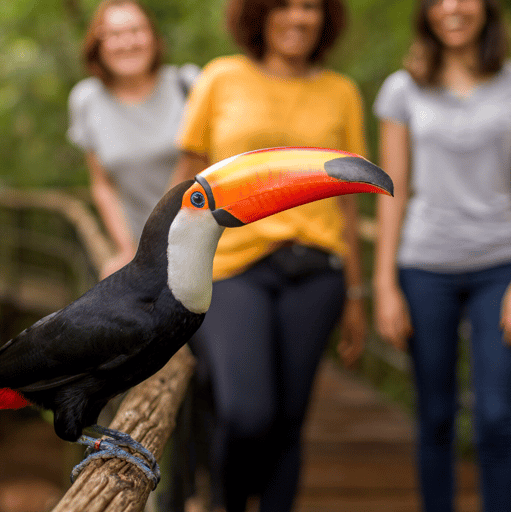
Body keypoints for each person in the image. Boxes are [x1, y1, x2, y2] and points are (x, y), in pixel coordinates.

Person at [171, 0, 367, 510]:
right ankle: (226, 502)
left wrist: (356, 295)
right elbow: (186, 182)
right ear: (259, 14)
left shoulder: (341, 91)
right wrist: (160, 276)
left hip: (317, 272)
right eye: (284, 5)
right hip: (233, 268)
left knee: (288, 422)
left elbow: (348, 203)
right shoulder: (221, 77)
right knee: (246, 411)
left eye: (310, 7)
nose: (297, 17)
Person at [372, 0, 511, 510]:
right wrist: (385, 285)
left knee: (497, 418)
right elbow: (394, 190)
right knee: (434, 416)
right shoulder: (403, 88)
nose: (451, 9)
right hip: (423, 268)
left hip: (500, 267)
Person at [67, 0, 198, 277]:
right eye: (114, 34)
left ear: (153, 36)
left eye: (136, 30)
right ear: (98, 44)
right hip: (144, 256)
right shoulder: (85, 99)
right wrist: (127, 249)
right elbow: (102, 184)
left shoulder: (188, 84)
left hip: (202, 245)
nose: (127, 42)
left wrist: (164, 235)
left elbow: (201, 164)